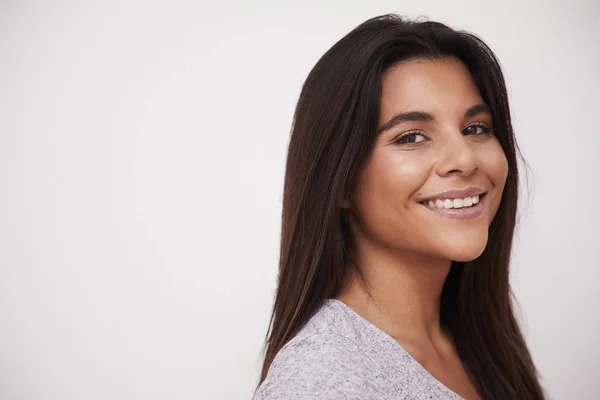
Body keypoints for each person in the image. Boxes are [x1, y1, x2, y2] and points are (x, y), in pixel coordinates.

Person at [254, 14, 546, 400]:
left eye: (476, 128)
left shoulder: (478, 343)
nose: (464, 158)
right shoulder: (321, 380)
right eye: (411, 137)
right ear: (340, 181)